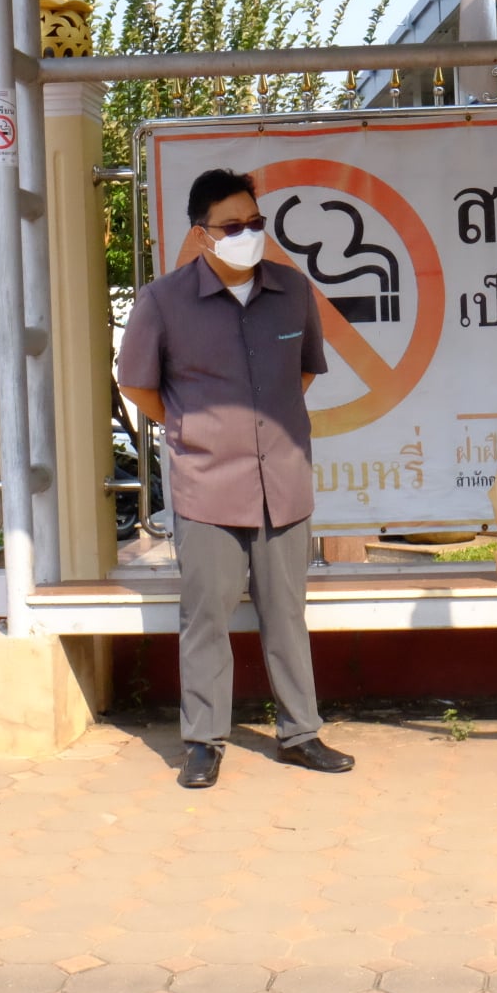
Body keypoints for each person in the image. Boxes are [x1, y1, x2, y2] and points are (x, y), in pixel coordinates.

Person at [117, 168, 354, 790]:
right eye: (232, 226)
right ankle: (203, 742)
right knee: (207, 617)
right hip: (207, 487)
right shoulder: (163, 301)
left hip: (284, 480)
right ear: (201, 235)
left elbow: (303, 372)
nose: (247, 234)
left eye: (256, 223)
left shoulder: (292, 291)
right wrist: (195, 428)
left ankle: (301, 734)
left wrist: (263, 429)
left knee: (287, 616)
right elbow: (136, 383)